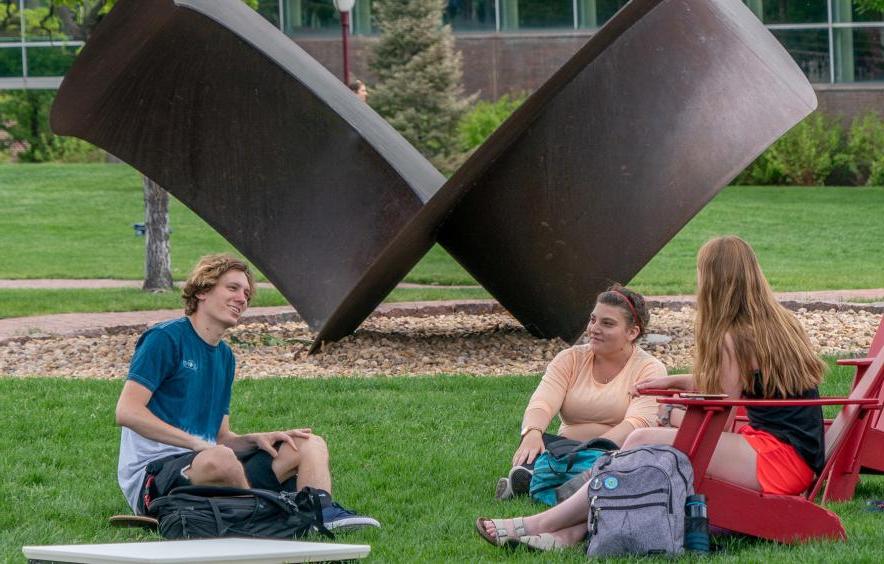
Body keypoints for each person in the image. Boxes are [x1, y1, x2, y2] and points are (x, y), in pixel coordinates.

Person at [476, 236, 825, 550]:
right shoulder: (774, 322)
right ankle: (566, 533)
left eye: (701, 272)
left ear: (715, 281)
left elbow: (724, 405)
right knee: (645, 448)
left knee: (641, 441)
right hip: (795, 455)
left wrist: (677, 418)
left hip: (775, 460)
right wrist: (673, 384)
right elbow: (735, 384)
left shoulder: (733, 337)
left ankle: (539, 522)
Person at [115, 254, 380, 531]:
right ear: (203, 290)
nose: (242, 298)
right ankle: (265, 514)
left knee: (307, 443)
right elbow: (127, 412)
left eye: (247, 294)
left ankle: (319, 514)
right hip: (156, 476)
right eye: (232, 288)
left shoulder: (225, 358)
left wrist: (254, 440)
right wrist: (195, 443)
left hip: (213, 466)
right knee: (221, 459)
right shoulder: (166, 339)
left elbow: (220, 438)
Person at [495, 284, 666, 500]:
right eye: (593, 320)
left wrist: (588, 453)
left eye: (607, 323)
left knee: (615, 463)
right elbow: (542, 403)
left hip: (615, 452)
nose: (594, 328)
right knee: (541, 447)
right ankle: (554, 480)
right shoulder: (570, 359)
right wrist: (532, 432)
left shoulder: (650, 369)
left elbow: (637, 423)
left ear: (632, 332)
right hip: (564, 450)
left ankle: (540, 479)